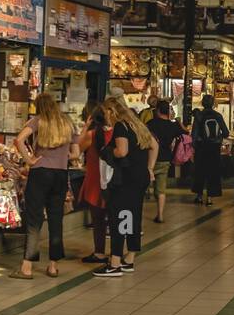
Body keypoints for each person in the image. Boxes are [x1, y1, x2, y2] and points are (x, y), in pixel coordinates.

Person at [13, 94, 79, 279]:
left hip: (40, 173)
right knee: (56, 219)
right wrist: (63, 156)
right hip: (60, 174)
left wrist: (29, 160)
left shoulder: (37, 121)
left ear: (39, 107)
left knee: (34, 220)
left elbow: (19, 140)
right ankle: (53, 266)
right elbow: (75, 153)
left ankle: (27, 267)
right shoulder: (68, 123)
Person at [92, 96, 157, 277]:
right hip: (140, 177)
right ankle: (129, 259)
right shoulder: (138, 125)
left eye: (106, 113)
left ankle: (114, 263)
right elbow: (154, 145)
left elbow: (122, 151)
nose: (105, 117)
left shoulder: (121, 126)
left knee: (119, 217)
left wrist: (107, 151)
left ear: (112, 111)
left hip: (126, 179)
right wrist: (149, 168)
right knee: (133, 216)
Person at [77, 101, 109, 263]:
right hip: (111, 180)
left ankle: (99, 252)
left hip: (95, 180)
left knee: (98, 220)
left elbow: (76, 150)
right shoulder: (113, 132)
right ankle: (117, 254)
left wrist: (84, 128)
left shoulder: (92, 135)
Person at [146, 99, 184, 224]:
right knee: (161, 189)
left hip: (150, 159)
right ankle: (160, 215)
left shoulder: (150, 123)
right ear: (168, 111)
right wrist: (178, 121)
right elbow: (185, 132)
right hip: (165, 159)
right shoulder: (172, 125)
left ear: (157, 111)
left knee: (143, 185)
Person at [191, 93, 228, 206]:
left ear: (202, 103)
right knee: (213, 172)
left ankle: (199, 196)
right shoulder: (218, 116)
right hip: (214, 148)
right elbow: (226, 133)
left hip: (201, 148)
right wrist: (218, 138)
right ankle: (210, 198)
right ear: (213, 104)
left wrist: (194, 146)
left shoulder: (199, 116)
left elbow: (194, 133)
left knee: (200, 172)